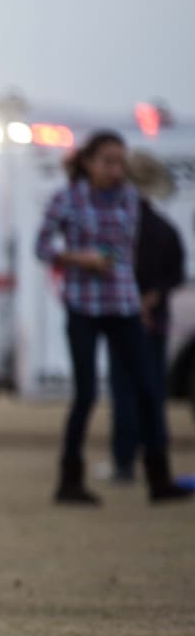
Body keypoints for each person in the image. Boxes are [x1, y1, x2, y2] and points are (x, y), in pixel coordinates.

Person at [35, 130, 189, 505]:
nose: (115, 170)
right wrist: (78, 258)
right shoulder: (66, 200)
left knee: (150, 388)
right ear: (88, 162)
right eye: (108, 161)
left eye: (121, 162)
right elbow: (42, 246)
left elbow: (140, 248)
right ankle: (69, 480)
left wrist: (148, 297)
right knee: (86, 394)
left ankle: (159, 477)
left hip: (123, 305)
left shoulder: (132, 200)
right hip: (84, 305)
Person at [108, 153, 186, 483]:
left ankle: (125, 461)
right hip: (154, 320)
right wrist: (154, 297)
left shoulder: (118, 228)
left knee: (124, 390)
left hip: (126, 318)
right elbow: (176, 274)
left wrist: (138, 300)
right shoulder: (165, 229)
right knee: (151, 390)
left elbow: (110, 270)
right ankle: (156, 460)